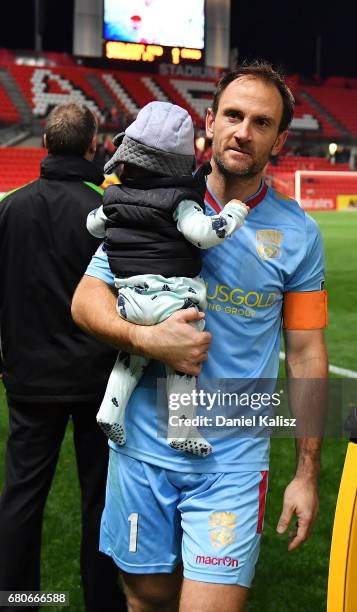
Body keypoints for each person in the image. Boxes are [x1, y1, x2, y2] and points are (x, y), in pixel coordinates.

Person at [72, 61, 329, 612]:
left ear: (280, 139)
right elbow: (85, 301)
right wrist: (145, 340)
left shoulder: (299, 235)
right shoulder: (150, 200)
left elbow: (306, 355)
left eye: (261, 123)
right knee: (148, 602)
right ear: (208, 122)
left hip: (232, 463)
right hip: (141, 450)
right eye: (233, 116)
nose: (243, 131)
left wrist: (307, 473)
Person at [0, 103, 126, 612]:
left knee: (22, 496)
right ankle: (102, 602)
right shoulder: (104, 216)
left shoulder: (10, 208)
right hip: (97, 379)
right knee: (99, 497)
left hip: (29, 378)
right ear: (94, 148)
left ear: (45, 146)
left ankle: (17, 600)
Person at [87, 101, 248, 454]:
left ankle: (109, 409)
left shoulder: (113, 196)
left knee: (130, 358)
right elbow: (204, 233)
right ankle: (181, 426)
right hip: (173, 303)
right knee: (184, 357)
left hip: (128, 302)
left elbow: (93, 224)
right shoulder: (180, 199)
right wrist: (234, 212)